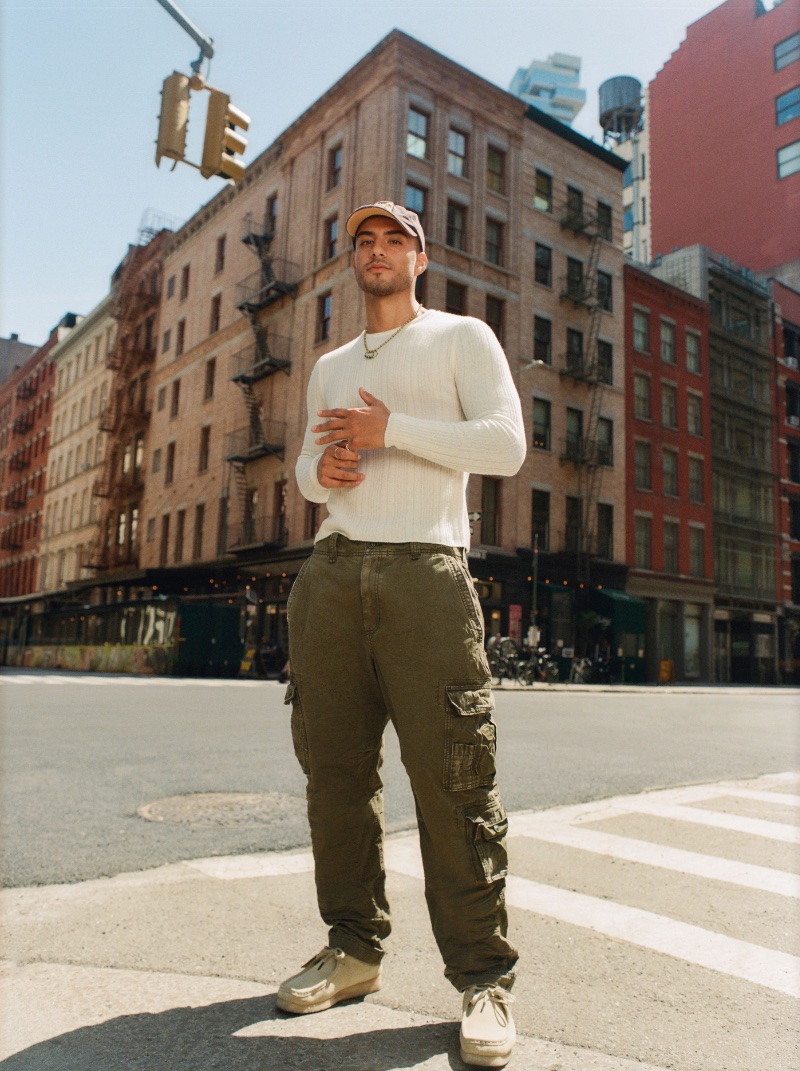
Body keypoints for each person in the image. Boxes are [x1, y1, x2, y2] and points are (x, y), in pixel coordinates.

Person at [279, 200, 526, 1067]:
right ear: (353, 261)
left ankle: (482, 980)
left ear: (421, 257)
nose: (377, 252)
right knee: (335, 775)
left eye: (394, 241)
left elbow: (505, 446)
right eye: (363, 242)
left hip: (425, 571)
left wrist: (391, 431)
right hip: (333, 573)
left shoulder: (464, 339)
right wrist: (330, 466)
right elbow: (307, 473)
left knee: (455, 780)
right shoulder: (329, 364)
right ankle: (353, 949)